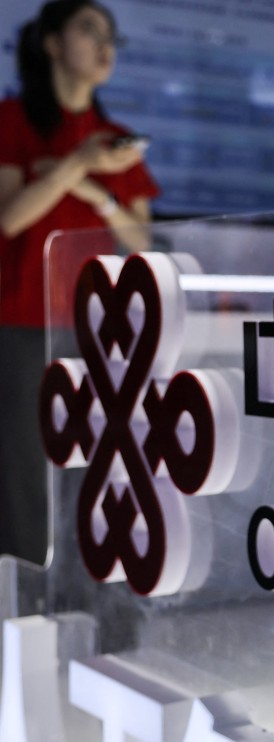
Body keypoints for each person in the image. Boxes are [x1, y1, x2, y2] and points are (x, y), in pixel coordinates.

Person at [0, 0, 159, 564]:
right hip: (19, 326)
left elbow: (141, 237)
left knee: (95, 468)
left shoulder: (116, 139)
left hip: (96, 331)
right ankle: (21, 617)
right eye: (90, 30)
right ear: (52, 44)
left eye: (111, 35)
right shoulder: (13, 121)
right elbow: (10, 217)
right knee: (22, 472)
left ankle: (90, 608)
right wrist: (74, 165)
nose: (105, 45)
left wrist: (95, 190)